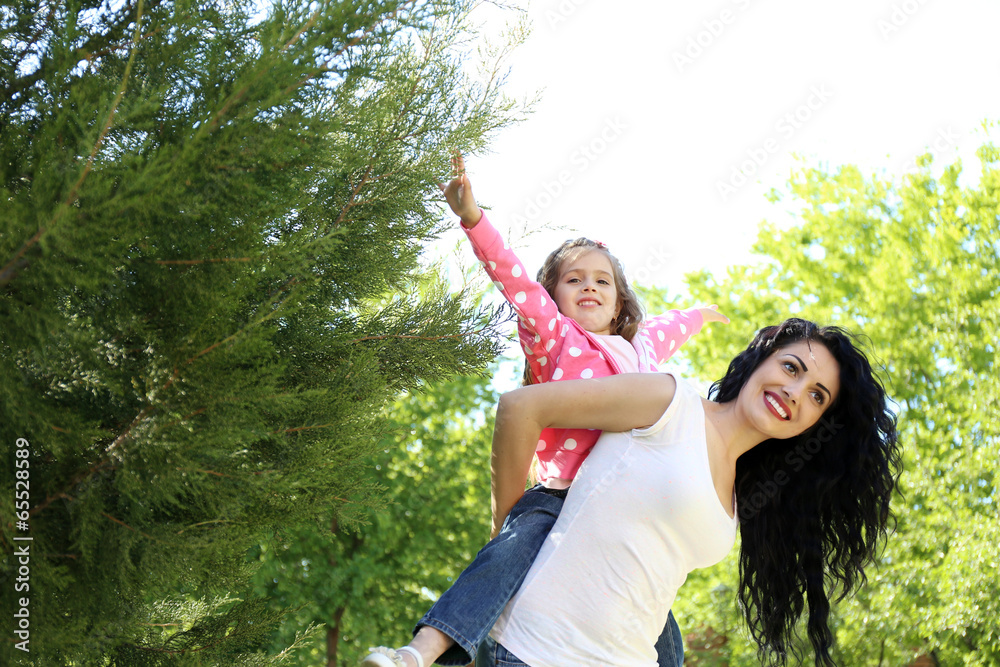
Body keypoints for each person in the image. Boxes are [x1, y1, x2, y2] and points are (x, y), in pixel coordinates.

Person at [361, 154, 729, 667]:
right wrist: (473, 219)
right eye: (574, 280)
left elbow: (670, 326)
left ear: (620, 303)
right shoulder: (556, 337)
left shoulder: (642, 352)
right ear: (554, 296)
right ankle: (421, 651)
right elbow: (512, 278)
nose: (589, 288)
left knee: (656, 617)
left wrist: (702, 314)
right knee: (505, 556)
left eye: (603, 281)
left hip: (619, 511)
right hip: (558, 499)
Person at [476, 318, 902, 667]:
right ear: (760, 358)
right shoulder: (670, 402)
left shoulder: (742, 495)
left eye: (816, 396)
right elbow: (521, 408)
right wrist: (506, 549)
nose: (795, 392)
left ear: (814, 424)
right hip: (532, 649)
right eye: (792, 368)